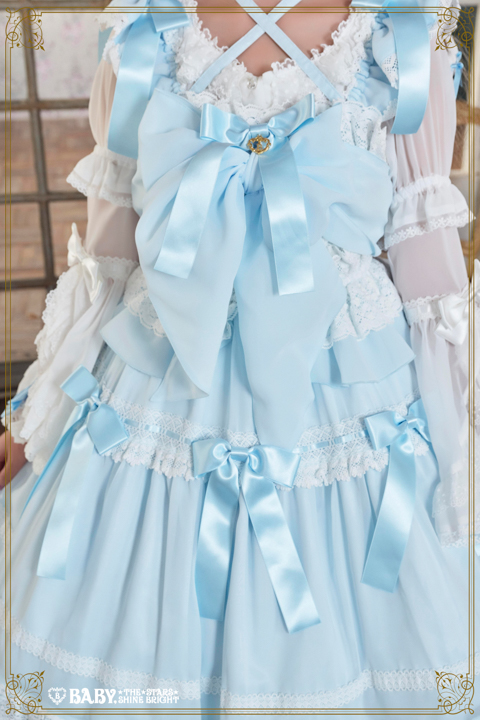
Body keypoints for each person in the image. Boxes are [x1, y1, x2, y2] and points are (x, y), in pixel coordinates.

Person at [1, 0, 479, 715]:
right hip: (159, 376)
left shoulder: (401, 37)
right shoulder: (144, 32)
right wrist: (35, 413)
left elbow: (428, 274)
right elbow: (108, 259)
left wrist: (461, 438)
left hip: (346, 386)